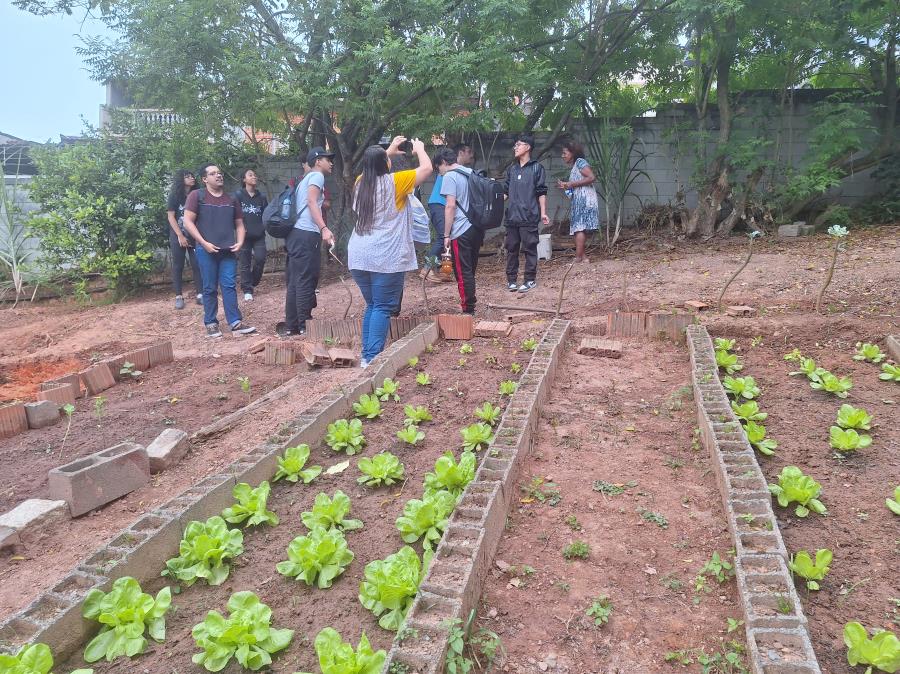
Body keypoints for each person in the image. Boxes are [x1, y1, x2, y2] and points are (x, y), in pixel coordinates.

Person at [349, 136, 432, 367]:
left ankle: (366, 356)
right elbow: (427, 169)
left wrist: (388, 151)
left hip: (358, 254)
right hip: (385, 255)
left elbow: (372, 165)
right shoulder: (396, 181)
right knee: (383, 307)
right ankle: (372, 358)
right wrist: (420, 149)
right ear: (386, 164)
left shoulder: (360, 183)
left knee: (373, 305)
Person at [182, 164, 257, 337]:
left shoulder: (231, 199)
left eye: (219, 172)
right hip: (206, 251)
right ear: (204, 179)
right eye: (213, 173)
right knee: (209, 287)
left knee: (229, 285)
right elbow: (187, 221)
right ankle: (211, 323)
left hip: (228, 251)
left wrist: (240, 242)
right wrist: (203, 243)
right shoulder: (197, 196)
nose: (218, 175)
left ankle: (235, 322)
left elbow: (239, 224)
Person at [282, 147, 336, 337]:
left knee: (295, 280)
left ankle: (292, 326)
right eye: (327, 159)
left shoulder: (304, 179)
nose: (331, 163)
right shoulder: (317, 176)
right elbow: (312, 202)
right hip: (306, 233)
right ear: (318, 161)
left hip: (295, 234)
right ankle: (305, 324)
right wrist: (324, 228)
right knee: (306, 278)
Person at [438, 147, 485, 315]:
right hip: (476, 227)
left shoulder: (450, 176)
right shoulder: (470, 172)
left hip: (461, 230)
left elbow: (450, 206)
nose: (439, 172)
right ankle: (470, 304)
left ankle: (468, 309)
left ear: (443, 162)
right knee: (470, 269)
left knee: (462, 271)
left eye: (438, 167)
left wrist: (446, 234)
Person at [503, 134, 549, 293]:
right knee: (511, 249)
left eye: (518, 144)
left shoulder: (537, 168)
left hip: (529, 216)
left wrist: (543, 213)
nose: (515, 147)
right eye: (515, 145)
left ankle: (529, 280)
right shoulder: (512, 169)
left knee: (530, 248)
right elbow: (505, 192)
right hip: (512, 217)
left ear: (528, 147)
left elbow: (541, 192)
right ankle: (511, 280)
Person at [166, 169, 203, 309]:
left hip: (194, 234)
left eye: (192, 176)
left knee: (197, 263)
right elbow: (171, 217)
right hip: (178, 234)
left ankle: (200, 294)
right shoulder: (174, 196)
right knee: (178, 265)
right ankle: (178, 296)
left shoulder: (197, 195)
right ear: (181, 180)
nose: (192, 178)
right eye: (188, 177)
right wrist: (180, 236)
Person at [557, 139, 599, 263]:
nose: (563, 156)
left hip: (584, 200)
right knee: (577, 228)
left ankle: (578, 257)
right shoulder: (575, 166)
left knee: (579, 228)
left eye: (565, 153)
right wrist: (566, 186)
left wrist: (571, 184)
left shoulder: (580, 162)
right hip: (579, 200)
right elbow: (574, 185)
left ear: (573, 153)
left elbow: (591, 177)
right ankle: (583, 257)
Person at [234, 169, 268, 301]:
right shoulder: (238, 196)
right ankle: (247, 290)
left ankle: (253, 280)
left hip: (259, 235)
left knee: (261, 259)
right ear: (244, 180)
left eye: (255, 175)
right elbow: (234, 215)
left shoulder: (262, 197)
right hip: (244, 237)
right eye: (250, 175)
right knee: (245, 264)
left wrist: (264, 227)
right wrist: (240, 229)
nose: (254, 177)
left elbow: (266, 215)